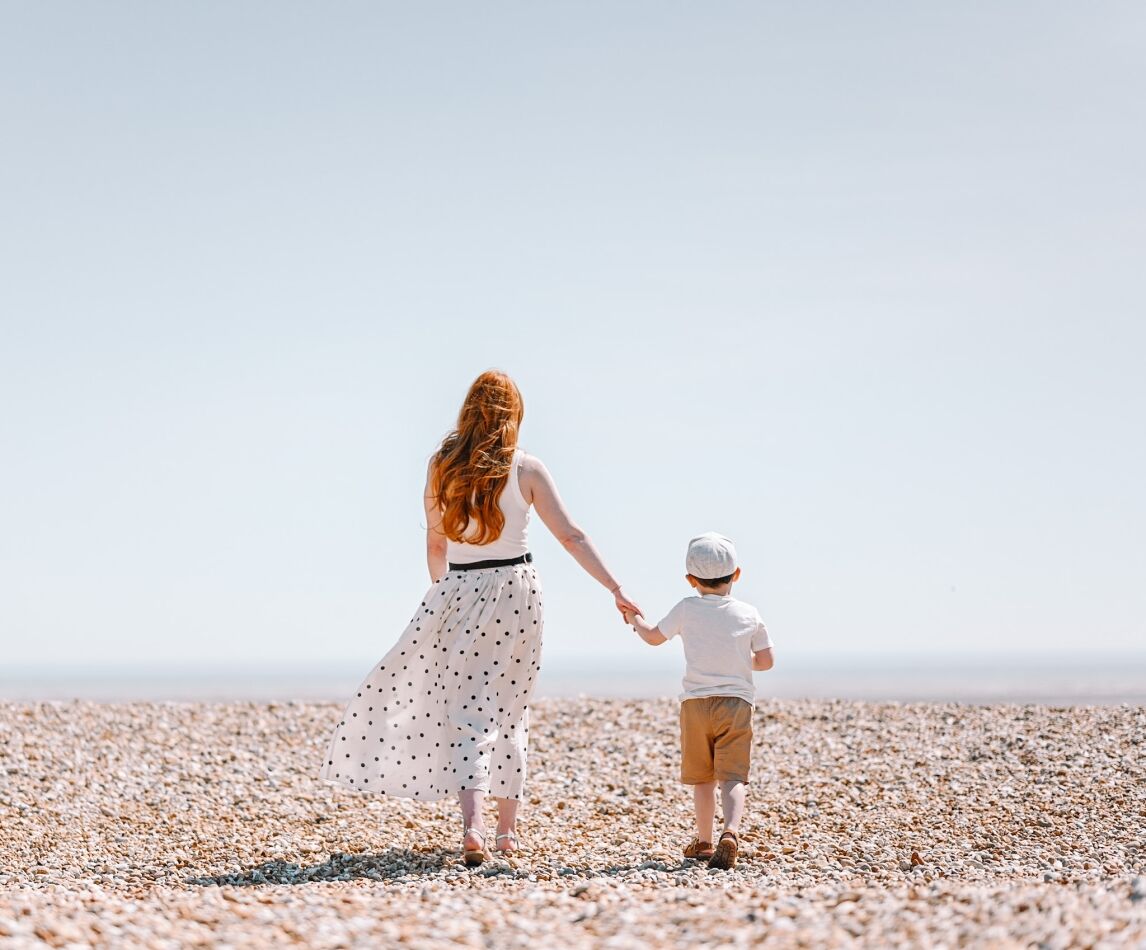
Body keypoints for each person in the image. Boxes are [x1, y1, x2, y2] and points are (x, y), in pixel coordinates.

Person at [320, 370, 640, 865]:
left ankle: (473, 827)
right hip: (516, 589)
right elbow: (571, 536)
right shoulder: (527, 469)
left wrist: (443, 596)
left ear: (467, 412)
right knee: (511, 708)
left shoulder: (442, 466)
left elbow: (434, 542)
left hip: (460, 588)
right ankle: (507, 834)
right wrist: (615, 588)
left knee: (468, 711)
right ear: (514, 414)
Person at [622, 532, 774, 870]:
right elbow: (766, 661)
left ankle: (704, 841)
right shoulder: (749, 613)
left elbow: (651, 637)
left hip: (695, 705)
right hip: (736, 704)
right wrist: (737, 661)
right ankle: (731, 832)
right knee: (733, 775)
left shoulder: (686, 609)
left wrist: (633, 617)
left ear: (691, 580)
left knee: (702, 776)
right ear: (736, 574)